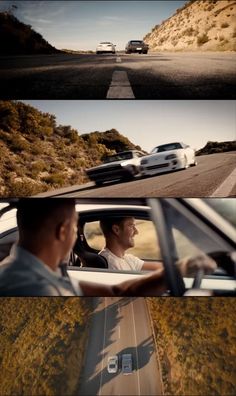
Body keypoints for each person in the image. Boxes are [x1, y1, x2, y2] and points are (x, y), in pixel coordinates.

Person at [0, 200, 216, 296]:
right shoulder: (32, 288)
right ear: (64, 230)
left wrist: (180, 268)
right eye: (76, 227)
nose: (77, 237)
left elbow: (117, 291)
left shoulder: (46, 274)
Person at [99, 216, 217, 276]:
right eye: (131, 226)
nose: (136, 232)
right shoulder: (111, 265)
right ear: (116, 230)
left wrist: (189, 264)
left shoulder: (127, 259)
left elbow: (161, 267)